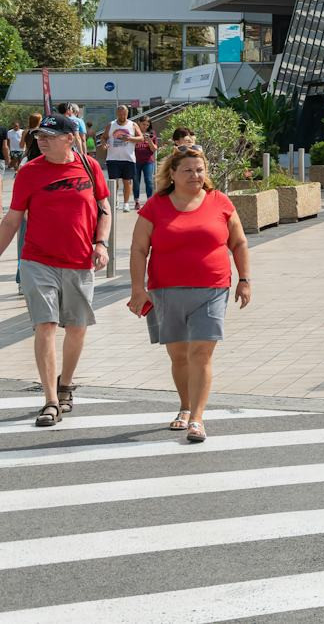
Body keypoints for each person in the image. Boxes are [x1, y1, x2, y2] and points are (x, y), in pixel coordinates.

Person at [126, 145, 251, 442]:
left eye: (200, 170)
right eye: (188, 170)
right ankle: (184, 406)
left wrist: (244, 279)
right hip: (165, 291)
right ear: (172, 173)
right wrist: (137, 289)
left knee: (201, 353)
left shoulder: (220, 201)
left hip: (212, 288)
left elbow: (239, 243)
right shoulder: (155, 206)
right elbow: (139, 249)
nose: (195, 175)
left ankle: (197, 418)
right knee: (179, 356)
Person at [0, 115, 110, 426]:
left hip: (79, 261)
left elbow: (104, 209)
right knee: (45, 325)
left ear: (70, 138)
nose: (42, 141)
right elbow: (12, 220)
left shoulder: (90, 166)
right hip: (38, 261)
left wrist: (101, 244)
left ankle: (66, 385)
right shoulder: (29, 172)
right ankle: (50, 400)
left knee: (76, 327)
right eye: (39, 136)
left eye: (49, 136)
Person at [104, 106, 140, 213]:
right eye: (120, 114)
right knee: (114, 182)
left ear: (127, 113)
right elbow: (104, 137)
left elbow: (141, 138)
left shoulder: (133, 125)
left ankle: (126, 203)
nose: (122, 116)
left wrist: (130, 138)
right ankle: (115, 200)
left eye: (124, 114)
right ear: (117, 114)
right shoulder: (111, 125)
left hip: (128, 158)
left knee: (127, 182)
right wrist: (104, 144)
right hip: (113, 158)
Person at [131, 116, 157, 209]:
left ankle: (149, 200)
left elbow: (154, 149)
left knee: (149, 180)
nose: (145, 126)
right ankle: (137, 201)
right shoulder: (133, 133)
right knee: (136, 181)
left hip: (148, 161)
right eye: (143, 124)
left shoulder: (151, 133)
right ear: (139, 123)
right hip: (135, 161)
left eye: (147, 125)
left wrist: (149, 140)